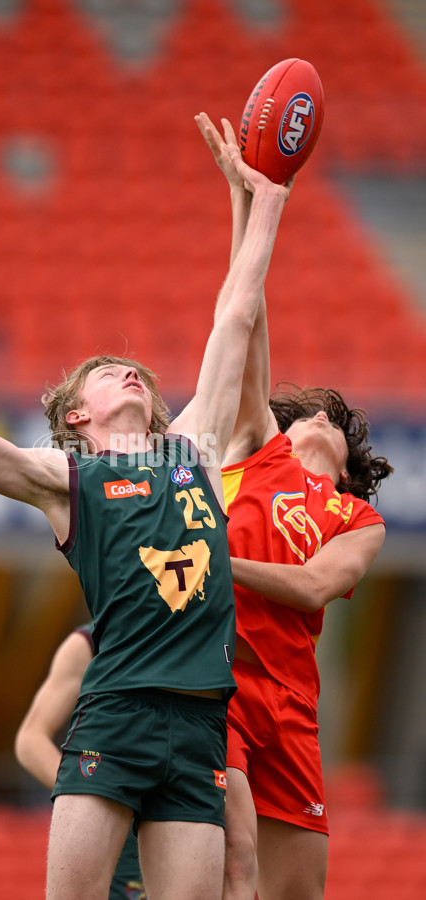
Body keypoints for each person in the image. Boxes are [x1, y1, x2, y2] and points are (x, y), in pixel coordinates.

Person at [0, 121, 292, 900]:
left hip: (199, 728)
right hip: (115, 714)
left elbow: (236, 316)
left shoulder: (191, 448)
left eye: (134, 372)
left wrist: (268, 199)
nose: (128, 372)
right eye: (106, 373)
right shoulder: (67, 479)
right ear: (75, 418)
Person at [196, 113, 393, 900]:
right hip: (223, 681)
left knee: (298, 891)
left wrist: (217, 554)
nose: (316, 415)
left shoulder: (358, 521)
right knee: (233, 870)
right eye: (306, 409)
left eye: (334, 419)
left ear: (349, 466)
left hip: (294, 706)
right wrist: (247, 197)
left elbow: (313, 588)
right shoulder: (260, 449)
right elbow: (247, 313)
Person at [15, 623, 146, 900]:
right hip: (117, 813)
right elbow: (30, 739)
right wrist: (93, 794)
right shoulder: (88, 645)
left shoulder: (199, 640)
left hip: (179, 806)